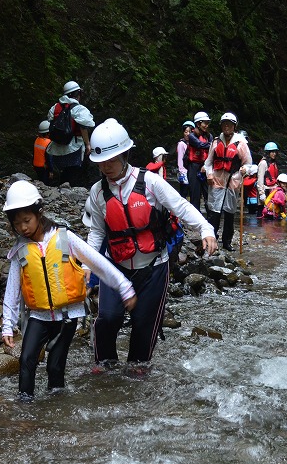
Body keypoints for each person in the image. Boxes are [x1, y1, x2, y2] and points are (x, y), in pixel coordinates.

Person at [84, 119, 217, 371]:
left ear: (125, 155)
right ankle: (105, 366)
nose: (105, 168)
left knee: (144, 326)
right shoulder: (97, 192)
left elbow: (182, 206)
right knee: (108, 318)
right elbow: (97, 232)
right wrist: (87, 266)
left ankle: (137, 370)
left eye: (110, 161)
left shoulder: (151, 183)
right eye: (100, 163)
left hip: (154, 267)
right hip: (115, 267)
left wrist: (205, 229)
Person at [0, 181, 136, 401]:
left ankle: (57, 408)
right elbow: (12, 289)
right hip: (38, 315)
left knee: (55, 367)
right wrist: (8, 324)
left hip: (67, 317)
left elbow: (97, 263)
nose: (23, 227)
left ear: (38, 212)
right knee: (26, 359)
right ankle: (24, 406)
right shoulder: (20, 249)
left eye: (27, 220)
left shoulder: (64, 238)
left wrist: (124, 286)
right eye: (17, 224)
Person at [204, 112, 253, 250]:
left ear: (234, 126)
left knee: (229, 213)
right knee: (214, 212)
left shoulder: (241, 143)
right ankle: (211, 239)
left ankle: (227, 242)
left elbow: (249, 163)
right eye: (224, 124)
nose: (226, 126)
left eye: (229, 124)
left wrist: (245, 169)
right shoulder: (215, 142)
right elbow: (208, 163)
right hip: (216, 181)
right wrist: (209, 174)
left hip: (233, 181)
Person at [46, 81, 96, 186]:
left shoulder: (54, 108)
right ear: (77, 94)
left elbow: (51, 123)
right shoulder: (79, 109)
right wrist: (87, 144)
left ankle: (59, 188)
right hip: (73, 146)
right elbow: (84, 127)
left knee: (62, 171)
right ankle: (68, 190)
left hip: (56, 146)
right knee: (73, 171)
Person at [186, 112, 213, 211]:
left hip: (205, 167)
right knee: (195, 195)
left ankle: (210, 219)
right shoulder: (192, 136)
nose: (206, 125)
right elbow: (200, 145)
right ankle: (195, 220)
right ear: (198, 124)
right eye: (204, 123)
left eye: (207, 123)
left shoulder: (209, 136)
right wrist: (213, 145)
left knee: (208, 194)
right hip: (194, 167)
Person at [255, 142, 280, 209]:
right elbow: (260, 180)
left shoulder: (274, 163)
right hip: (265, 190)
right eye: (272, 152)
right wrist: (261, 193)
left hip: (273, 190)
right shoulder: (263, 163)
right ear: (267, 153)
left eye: (275, 152)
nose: (274, 154)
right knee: (263, 212)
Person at [32, 120, 53, 185]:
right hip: (44, 168)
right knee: (46, 183)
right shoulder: (48, 143)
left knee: (40, 180)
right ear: (47, 133)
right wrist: (51, 171)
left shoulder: (37, 140)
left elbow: (34, 153)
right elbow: (49, 159)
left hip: (36, 166)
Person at [175, 122, 193, 197]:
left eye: (189, 132)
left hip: (191, 171)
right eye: (186, 132)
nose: (188, 134)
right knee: (184, 193)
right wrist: (182, 172)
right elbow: (180, 159)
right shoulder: (181, 144)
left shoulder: (193, 143)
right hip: (184, 172)